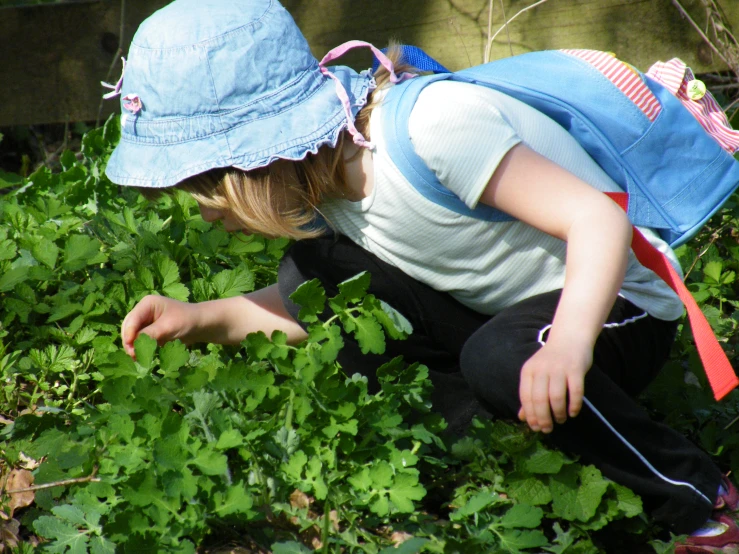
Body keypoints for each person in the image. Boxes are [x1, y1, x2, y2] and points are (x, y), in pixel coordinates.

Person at [106, 0, 738, 550]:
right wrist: (201, 317)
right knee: (313, 275)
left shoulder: (431, 128)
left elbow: (598, 222)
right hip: (512, 314)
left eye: (201, 186)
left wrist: (570, 344)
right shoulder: (325, 182)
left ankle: (699, 498)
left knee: (502, 354)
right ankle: (502, 461)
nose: (200, 210)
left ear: (254, 163)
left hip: (611, 300)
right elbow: (307, 309)